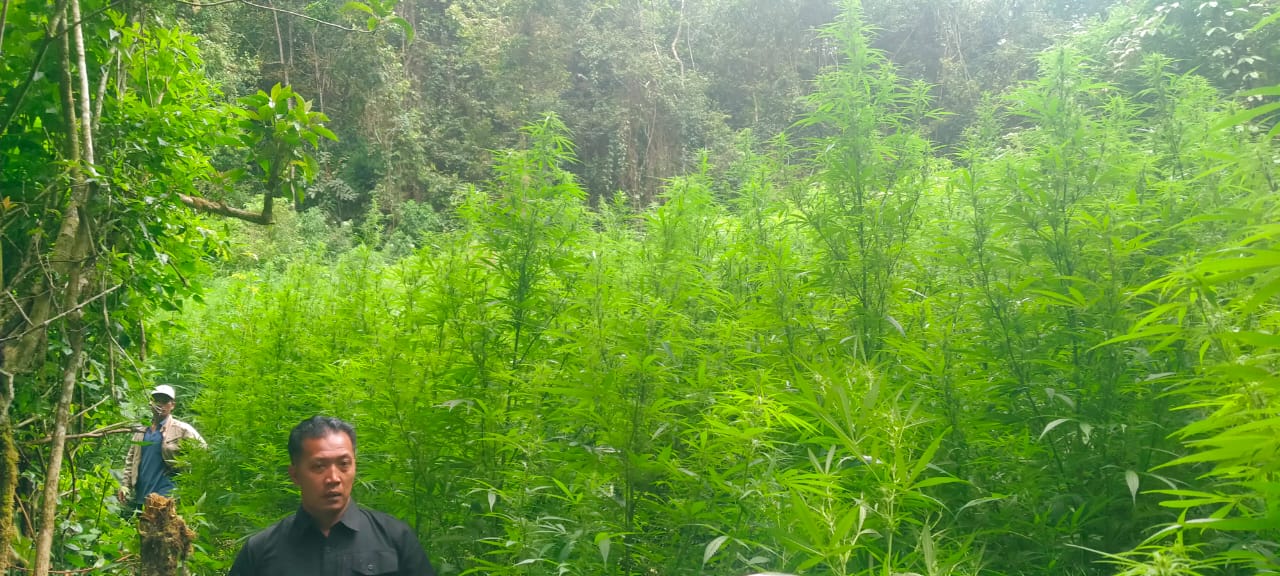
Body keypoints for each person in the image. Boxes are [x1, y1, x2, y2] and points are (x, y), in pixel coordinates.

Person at [229, 415, 437, 576]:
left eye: (344, 464)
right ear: (295, 475)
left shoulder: (395, 538)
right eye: (319, 466)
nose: (334, 478)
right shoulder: (261, 551)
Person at [117, 384, 206, 509]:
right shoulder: (141, 431)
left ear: (172, 405)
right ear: (151, 403)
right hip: (141, 494)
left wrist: (185, 471)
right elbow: (131, 460)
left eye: (165, 401)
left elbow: (202, 450)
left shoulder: (181, 429)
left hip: (167, 494)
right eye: (157, 400)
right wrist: (125, 485)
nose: (160, 404)